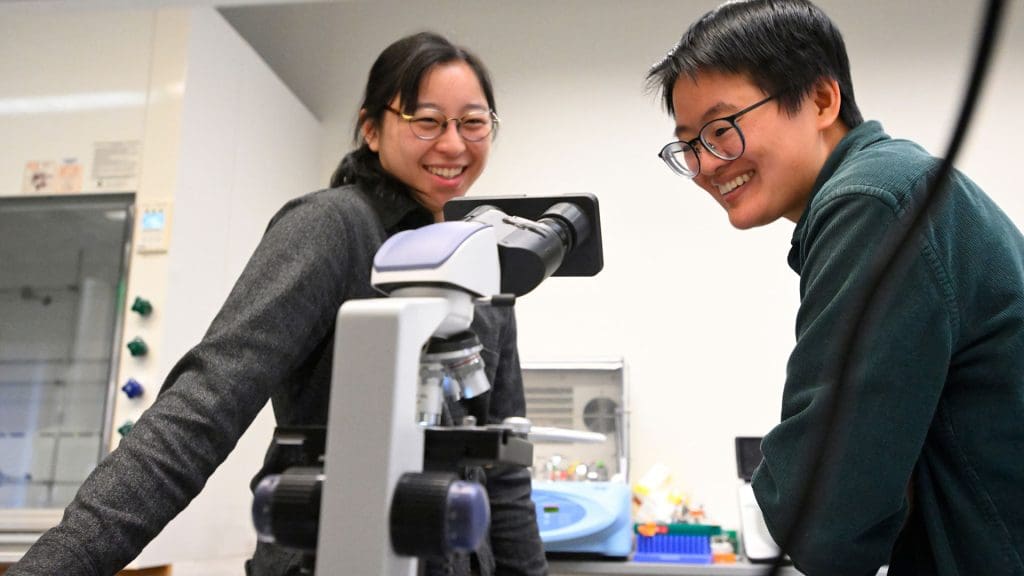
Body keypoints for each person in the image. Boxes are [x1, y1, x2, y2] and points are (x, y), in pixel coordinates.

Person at [8, 31, 547, 576]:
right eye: (427, 121)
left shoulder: (486, 266)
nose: (453, 145)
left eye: (473, 123)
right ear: (371, 129)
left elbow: (503, 473)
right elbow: (202, 409)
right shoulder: (331, 229)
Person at [647, 1, 1024, 575]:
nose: (705, 165)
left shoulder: (872, 200)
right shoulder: (894, 183)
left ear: (822, 101)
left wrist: (789, 478)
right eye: (690, 144)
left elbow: (821, 517)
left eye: (722, 130)